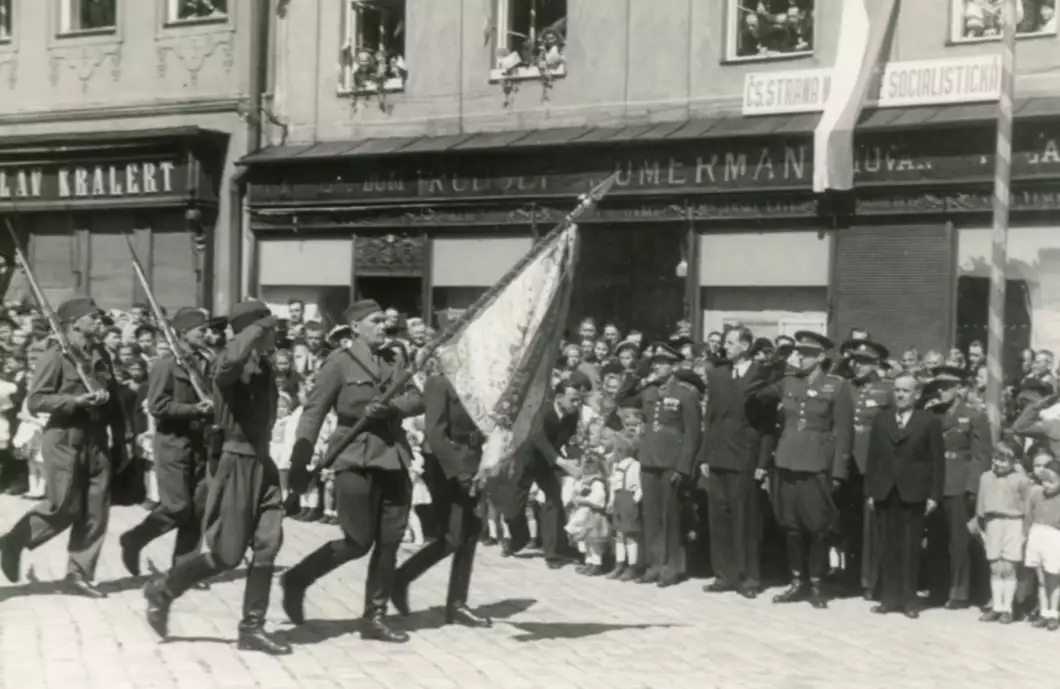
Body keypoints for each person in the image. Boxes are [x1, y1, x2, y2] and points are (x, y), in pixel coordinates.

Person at [142, 300, 290, 656]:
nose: (275, 334)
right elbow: (228, 365)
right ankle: (165, 590)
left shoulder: (264, 364)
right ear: (253, 330)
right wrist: (254, 329)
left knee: (268, 542)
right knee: (228, 555)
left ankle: (252, 627)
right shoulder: (229, 363)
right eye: (268, 328)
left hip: (262, 461)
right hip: (236, 461)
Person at [281, 298, 424, 644]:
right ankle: (297, 579)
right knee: (358, 541)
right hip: (353, 458)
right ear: (356, 327)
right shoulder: (339, 363)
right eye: (375, 321)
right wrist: (300, 460)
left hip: (393, 457)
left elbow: (417, 399)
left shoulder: (394, 359)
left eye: (385, 321)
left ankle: (374, 616)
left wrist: (391, 408)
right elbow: (313, 412)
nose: (383, 326)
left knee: (390, 541)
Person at [0, 297, 125, 596]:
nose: (99, 321)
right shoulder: (55, 355)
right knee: (64, 505)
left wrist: (124, 437)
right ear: (74, 323)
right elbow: (36, 400)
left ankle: (78, 574)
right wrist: (75, 401)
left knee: (96, 510)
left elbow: (116, 401)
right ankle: (14, 540)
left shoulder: (101, 354)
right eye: (93, 317)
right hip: (64, 436)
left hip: (97, 438)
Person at [746, 330, 853, 609]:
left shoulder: (837, 385)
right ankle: (797, 581)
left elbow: (843, 431)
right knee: (791, 526)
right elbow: (753, 393)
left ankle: (817, 583)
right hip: (787, 460)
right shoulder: (787, 381)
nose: (800, 358)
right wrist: (766, 366)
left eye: (806, 354)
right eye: (799, 353)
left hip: (817, 463)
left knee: (816, 527)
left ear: (820, 357)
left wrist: (838, 471)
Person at [390, 371, 493, 628]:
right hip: (446, 465)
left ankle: (457, 603)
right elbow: (435, 432)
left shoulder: (478, 379)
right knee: (454, 536)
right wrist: (458, 473)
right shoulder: (440, 381)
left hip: (473, 459)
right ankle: (401, 578)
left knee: (470, 533)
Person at [119, 308, 215, 580]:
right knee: (177, 507)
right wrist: (194, 409)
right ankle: (134, 539)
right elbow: (157, 405)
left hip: (201, 443)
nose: (206, 334)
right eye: (201, 329)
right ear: (184, 332)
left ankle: (184, 568)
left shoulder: (206, 361)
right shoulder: (166, 365)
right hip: (174, 443)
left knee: (198, 509)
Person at [865, 373, 944, 619]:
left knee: (910, 548)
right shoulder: (882, 419)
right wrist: (871, 491)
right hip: (885, 491)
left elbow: (937, 461)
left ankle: (909, 600)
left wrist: (934, 495)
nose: (900, 395)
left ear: (917, 394)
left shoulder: (929, 421)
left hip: (914, 493)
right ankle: (889, 599)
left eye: (906, 391)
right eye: (897, 390)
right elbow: (873, 457)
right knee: (888, 547)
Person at [701, 326, 768, 599]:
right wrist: (705, 455)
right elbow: (710, 417)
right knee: (720, 519)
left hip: (744, 458)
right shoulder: (718, 375)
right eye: (725, 343)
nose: (725, 347)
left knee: (745, 521)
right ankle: (724, 575)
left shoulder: (761, 375)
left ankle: (748, 578)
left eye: (730, 343)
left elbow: (766, 426)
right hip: (718, 456)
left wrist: (762, 462)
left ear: (745, 346)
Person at [492, 379, 582, 568]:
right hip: (527, 460)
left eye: (578, 400)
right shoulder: (543, 411)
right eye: (573, 400)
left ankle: (552, 554)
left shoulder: (573, 415)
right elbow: (538, 439)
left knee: (553, 502)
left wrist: (574, 458)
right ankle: (519, 538)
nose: (576, 404)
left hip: (548, 463)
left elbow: (570, 439)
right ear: (559, 397)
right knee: (512, 508)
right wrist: (562, 462)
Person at [924, 365, 991, 610]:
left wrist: (972, 488)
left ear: (960, 388)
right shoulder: (931, 414)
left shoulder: (974, 416)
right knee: (936, 538)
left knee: (959, 542)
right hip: (934, 484)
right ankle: (937, 588)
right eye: (937, 387)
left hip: (959, 484)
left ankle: (959, 592)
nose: (940, 391)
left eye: (946, 387)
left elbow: (981, 456)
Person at [636, 343, 702, 588]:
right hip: (649, 459)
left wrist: (684, 466)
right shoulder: (648, 390)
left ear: (674, 366)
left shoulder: (686, 393)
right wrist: (639, 372)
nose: (658, 367)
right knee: (651, 515)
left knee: (670, 516)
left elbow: (693, 433)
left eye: (663, 363)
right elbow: (623, 398)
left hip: (671, 461)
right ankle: (654, 564)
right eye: (655, 363)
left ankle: (671, 566)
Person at [833, 339, 894, 599]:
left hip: (875, 466)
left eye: (865, 362)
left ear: (876, 364)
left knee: (875, 526)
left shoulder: (888, 390)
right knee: (850, 524)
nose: (857, 366)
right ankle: (851, 576)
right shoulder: (845, 388)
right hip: (850, 467)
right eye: (855, 361)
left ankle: (873, 580)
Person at [974, 440, 1032, 624]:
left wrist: (1024, 532)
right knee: (995, 567)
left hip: (1014, 523)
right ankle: (996, 607)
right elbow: (981, 505)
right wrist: (981, 527)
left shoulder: (1022, 480)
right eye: (996, 458)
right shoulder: (985, 477)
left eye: (1004, 460)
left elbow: (1028, 507)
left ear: (1014, 462)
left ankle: (1008, 608)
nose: (998, 463)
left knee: (1009, 568)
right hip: (993, 523)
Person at [1023, 458, 1060, 630]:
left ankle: (1054, 613)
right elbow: (1029, 515)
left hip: (1054, 537)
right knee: (1042, 579)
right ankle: (1044, 613)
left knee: (1054, 579)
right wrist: (1026, 535)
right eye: (1044, 480)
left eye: (1052, 481)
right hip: (1037, 535)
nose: (1047, 485)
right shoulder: (1036, 493)